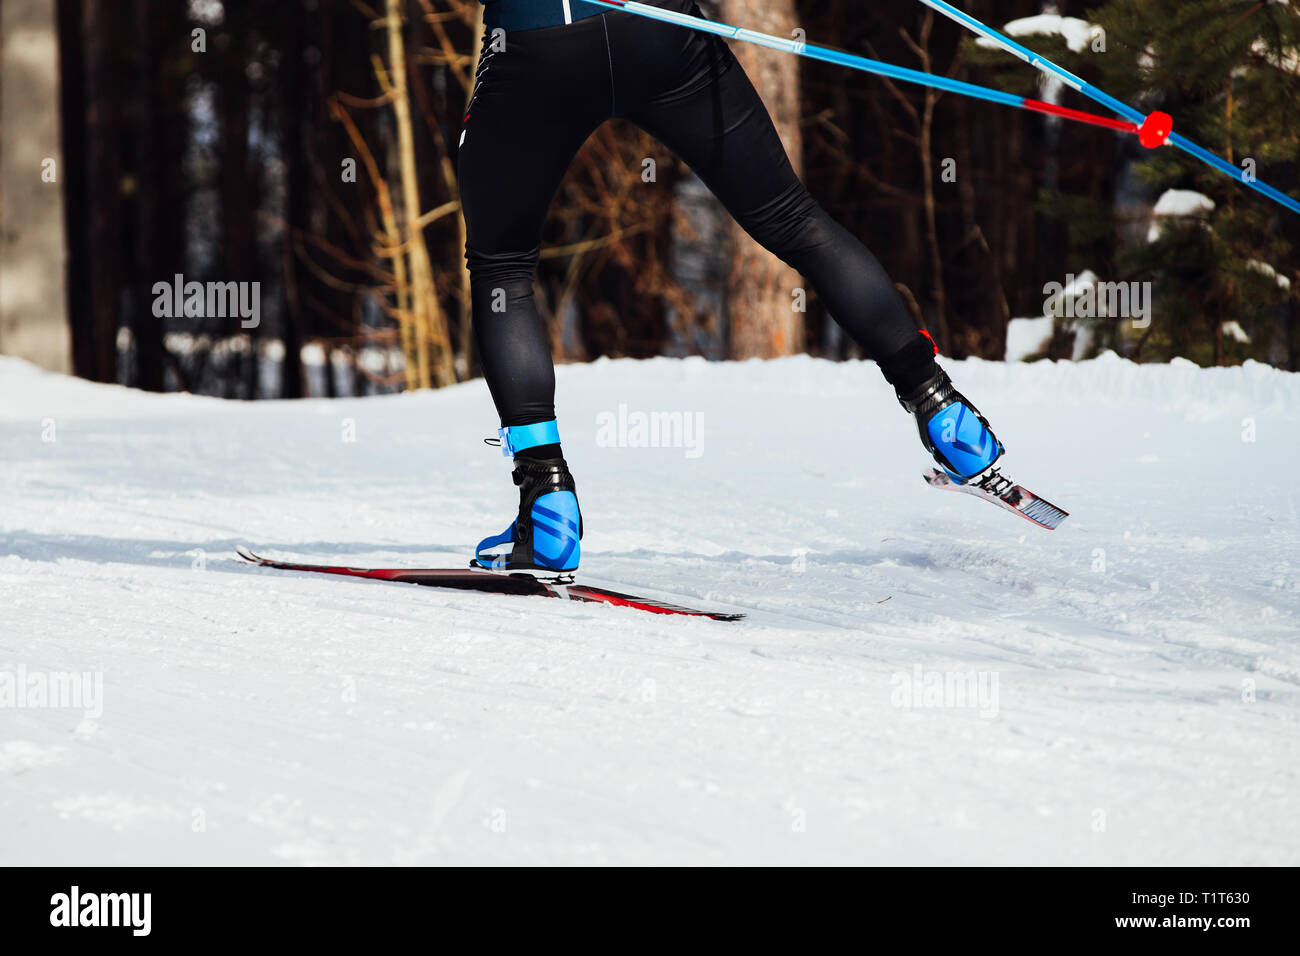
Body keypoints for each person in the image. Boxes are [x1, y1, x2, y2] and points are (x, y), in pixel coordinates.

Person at [461, 0, 1003, 573]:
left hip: (539, 39)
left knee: (503, 268)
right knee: (794, 219)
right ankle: (938, 405)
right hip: (659, 29)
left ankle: (547, 498)